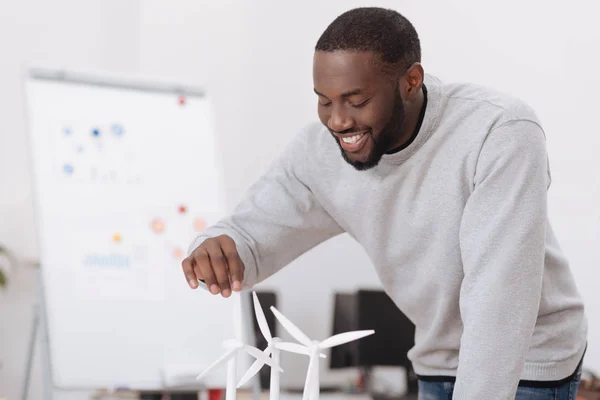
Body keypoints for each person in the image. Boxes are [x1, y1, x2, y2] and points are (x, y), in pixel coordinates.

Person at [181, 7, 587, 400]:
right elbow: (253, 233)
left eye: (356, 101)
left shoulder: (498, 131)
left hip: (526, 365)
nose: (338, 121)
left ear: (411, 81)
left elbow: (498, 298)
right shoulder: (318, 152)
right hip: (436, 361)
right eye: (324, 100)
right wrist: (221, 247)